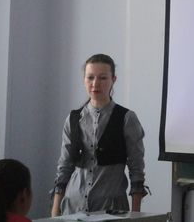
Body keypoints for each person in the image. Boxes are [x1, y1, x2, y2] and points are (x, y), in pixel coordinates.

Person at [51, 53, 147, 216]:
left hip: (111, 207)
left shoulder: (126, 118)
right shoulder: (73, 118)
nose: (95, 84)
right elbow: (65, 166)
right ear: (84, 80)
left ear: (113, 80)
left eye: (103, 78)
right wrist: (55, 210)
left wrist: (136, 214)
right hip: (73, 206)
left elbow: (136, 168)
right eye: (90, 77)